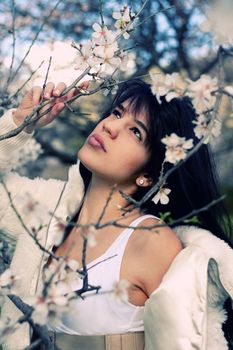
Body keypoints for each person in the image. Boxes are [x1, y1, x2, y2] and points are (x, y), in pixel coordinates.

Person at [0, 78, 233, 350]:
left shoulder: (151, 242)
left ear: (149, 175)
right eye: (117, 113)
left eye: (135, 132)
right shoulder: (45, 209)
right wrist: (20, 122)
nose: (110, 127)